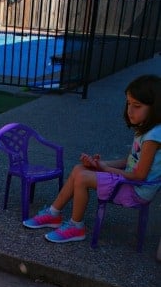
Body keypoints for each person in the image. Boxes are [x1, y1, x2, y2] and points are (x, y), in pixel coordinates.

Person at [23, 74, 161, 243]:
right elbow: (130, 160)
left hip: (137, 190)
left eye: (137, 106)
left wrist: (104, 168)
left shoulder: (154, 136)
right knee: (78, 169)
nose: (129, 110)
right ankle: (53, 213)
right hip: (130, 182)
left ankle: (76, 227)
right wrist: (100, 164)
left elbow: (139, 176)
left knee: (82, 177)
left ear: (155, 107)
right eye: (128, 104)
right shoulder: (146, 130)